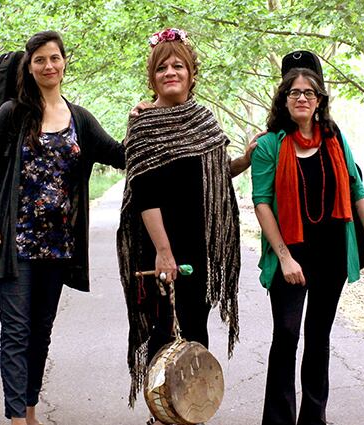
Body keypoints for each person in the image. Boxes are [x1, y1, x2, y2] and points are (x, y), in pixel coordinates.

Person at [0, 30, 125, 425]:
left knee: (40, 332)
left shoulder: (80, 119)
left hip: (58, 247)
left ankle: (30, 410)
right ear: (30, 67)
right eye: (40, 60)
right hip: (14, 243)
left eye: (54, 58)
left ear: (64, 63)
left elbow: (120, 154)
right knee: (16, 331)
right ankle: (17, 418)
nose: (48, 65)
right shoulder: (13, 114)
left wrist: (148, 118)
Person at [116, 28, 256, 424]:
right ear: (152, 77)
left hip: (200, 246)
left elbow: (214, 176)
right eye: (162, 68)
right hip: (158, 247)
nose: (171, 72)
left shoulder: (203, 121)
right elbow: (144, 195)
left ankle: (189, 414)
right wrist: (163, 252)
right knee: (164, 331)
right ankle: (163, 415)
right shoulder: (144, 125)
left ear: (192, 74)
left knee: (195, 330)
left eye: (178, 66)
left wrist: (244, 160)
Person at [250, 52, 364, 425]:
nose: (302, 98)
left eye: (309, 92)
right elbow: (261, 203)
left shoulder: (335, 139)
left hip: (332, 254)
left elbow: (356, 189)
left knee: (319, 335)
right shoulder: (269, 146)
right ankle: (278, 420)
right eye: (294, 92)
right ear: (284, 100)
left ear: (319, 99)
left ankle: (314, 418)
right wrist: (285, 257)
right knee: (287, 334)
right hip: (290, 255)